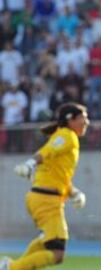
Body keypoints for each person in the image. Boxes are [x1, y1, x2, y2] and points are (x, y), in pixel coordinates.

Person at [0, 102, 90, 270]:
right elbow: (46, 151)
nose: (87, 122)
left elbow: (59, 175)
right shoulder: (67, 135)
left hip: (43, 197)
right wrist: (30, 163)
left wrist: (74, 192)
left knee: (46, 240)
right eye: (83, 118)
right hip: (46, 200)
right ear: (70, 120)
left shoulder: (65, 135)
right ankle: (9, 267)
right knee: (57, 254)